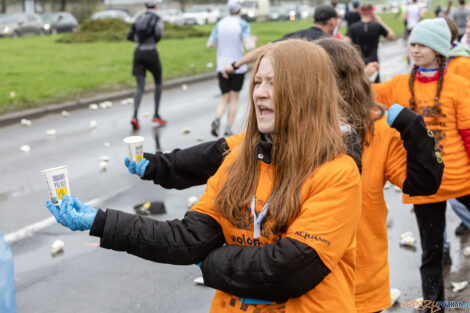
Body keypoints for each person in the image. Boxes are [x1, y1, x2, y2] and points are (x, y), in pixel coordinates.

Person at [126, 38, 444, 313]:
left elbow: (422, 183)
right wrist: (155, 166)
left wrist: (413, 127)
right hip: (299, 293)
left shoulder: (377, 135)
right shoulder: (273, 140)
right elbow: (211, 156)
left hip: (360, 284)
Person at [46, 39, 363, 312]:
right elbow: (186, 239)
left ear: (306, 92)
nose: (260, 94)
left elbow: (290, 269)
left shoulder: (337, 172)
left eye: (274, 83)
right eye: (257, 82)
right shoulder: (239, 160)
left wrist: (213, 263)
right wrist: (100, 221)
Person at [373, 18, 470, 312]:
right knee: (430, 253)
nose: (415, 49)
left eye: (422, 44)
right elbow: (365, 97)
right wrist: (359, 75)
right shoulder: (399, 85)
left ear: (439, 49)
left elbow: (467, 134)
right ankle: (433, 304)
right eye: (412, 43)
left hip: (461, 176)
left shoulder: (458, 85)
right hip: (426, 180)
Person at [222, 4, 338, 77]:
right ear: (332, 21)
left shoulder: (295, 35)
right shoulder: (331, 44)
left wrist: (235, 65)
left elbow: (262, 50)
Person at [206, 0, 256, 137]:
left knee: (224, 97)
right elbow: (249, 47)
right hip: (237, 66)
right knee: (234, 98)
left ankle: (217, 118)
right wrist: (253, 40)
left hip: (221, 66)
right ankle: (228, 128)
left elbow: (210, 44)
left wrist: (222, 43)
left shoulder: (219, 24)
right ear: (240, 9)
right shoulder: (243, 24)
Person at [126, 0, 166, 130]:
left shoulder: (138, 17)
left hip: (138, 53)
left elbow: (129, 35)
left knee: (140, 86)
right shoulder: (157, 18)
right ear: (155, 6)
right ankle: (156, 114)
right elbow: (159, 35)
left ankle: (135, 116)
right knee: (158, 83)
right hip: (151, 53)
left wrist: (138, 40)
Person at [345, 3, 395, 82]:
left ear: (360, 13)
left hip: (359, 62)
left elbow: (345, 43)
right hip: (374, 63)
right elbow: (392, 36)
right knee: (376, 89)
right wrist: (380, 21)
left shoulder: (353, 27)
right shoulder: (377, 26)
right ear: (372, 12)